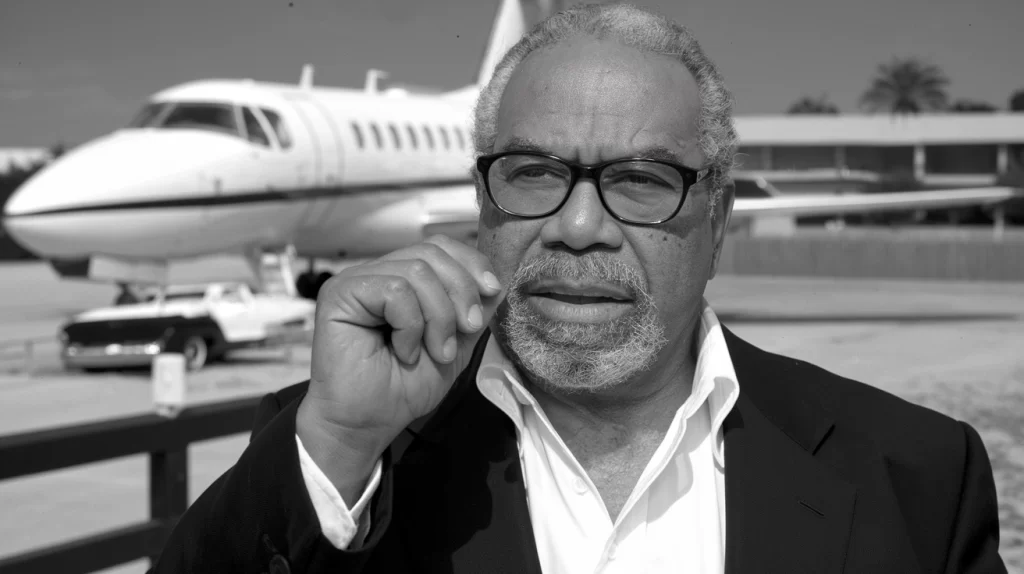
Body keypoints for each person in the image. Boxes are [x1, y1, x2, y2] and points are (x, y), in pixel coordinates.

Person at [150, 4, 1006, 573]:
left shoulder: (917, 474)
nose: (580, 226)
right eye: (532, 173)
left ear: (719, 218)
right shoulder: (346, 453)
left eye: (640, 180)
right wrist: (337, 442)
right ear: (483, 201)